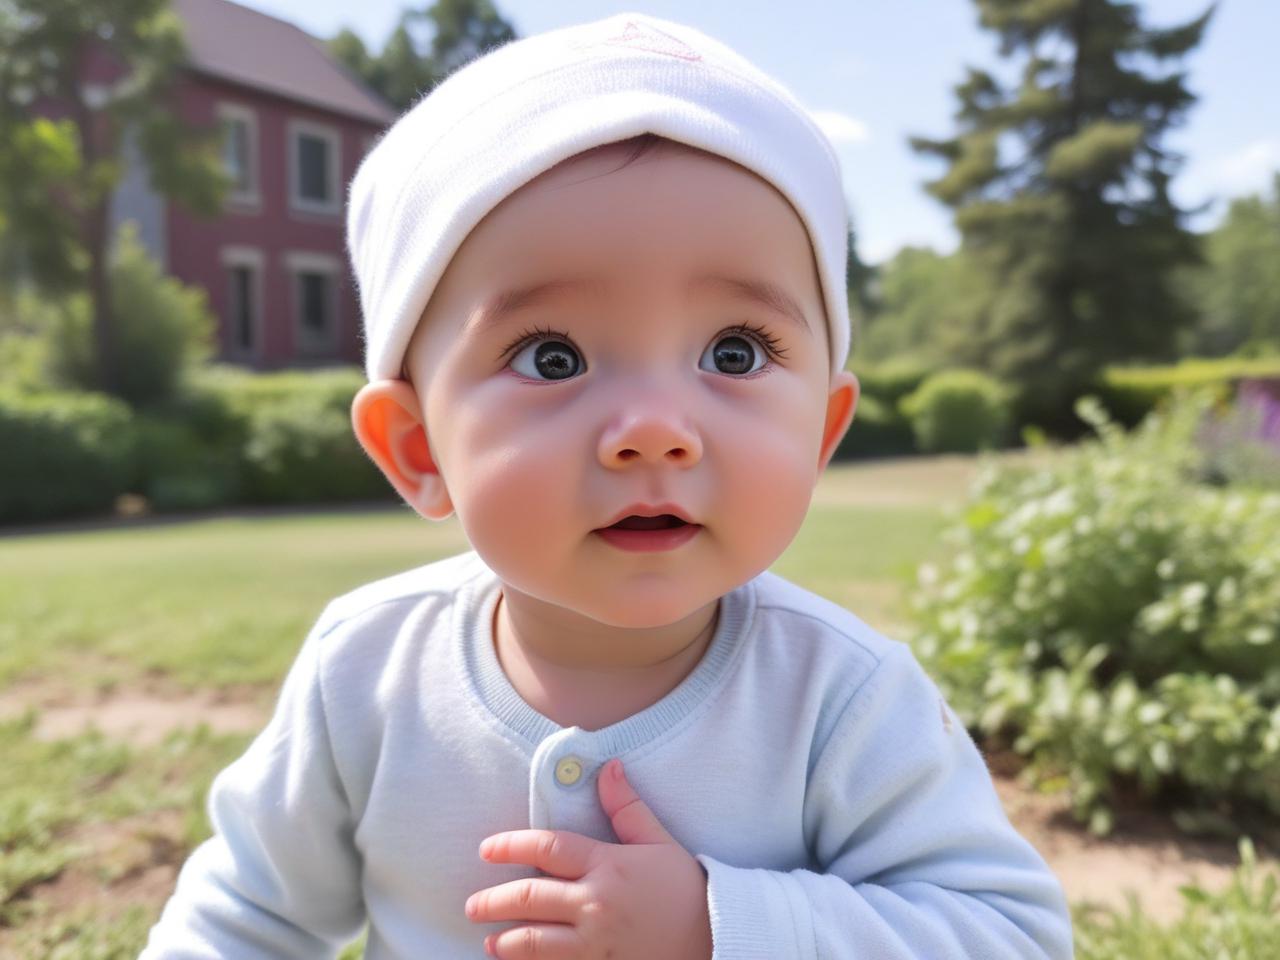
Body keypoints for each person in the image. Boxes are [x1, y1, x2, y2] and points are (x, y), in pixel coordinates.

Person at [140, 11, 1074, 959]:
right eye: (552, 357)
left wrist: (718, 925)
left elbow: (1011, 935)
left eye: (735, 350)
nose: (655, 431)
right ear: (418, 448)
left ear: (820, 433)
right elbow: (245, 918)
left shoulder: (842, 700)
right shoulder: (366, 672)